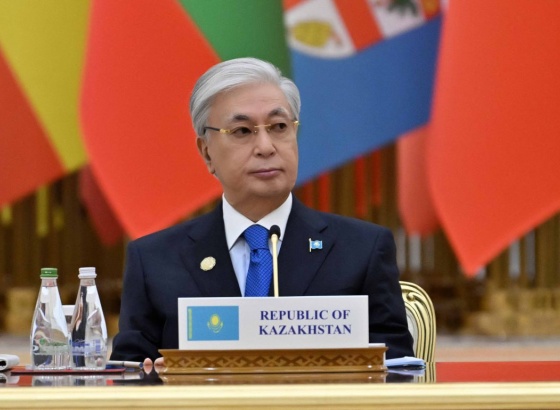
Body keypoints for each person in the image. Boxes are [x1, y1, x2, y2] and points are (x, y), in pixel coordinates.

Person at [110, 57, 414, 368]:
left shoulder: (361, 250)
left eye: (279, 127)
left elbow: (398, 370)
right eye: (242, 131)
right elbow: (129, 374)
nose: (266, 147)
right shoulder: (154, 261)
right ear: (206, 151)